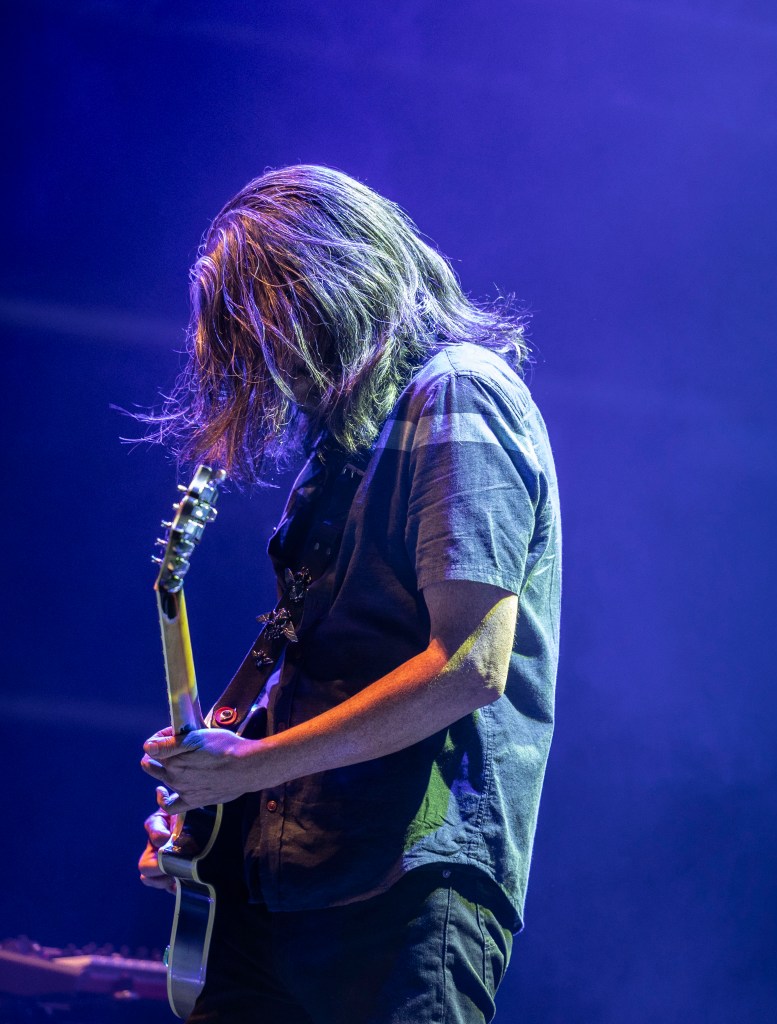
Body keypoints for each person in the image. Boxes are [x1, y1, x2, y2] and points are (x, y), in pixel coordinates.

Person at [138, 165, 561, 1024]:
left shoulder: (457, 390)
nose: (270, 365)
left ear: (337, 282)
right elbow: (328, 673)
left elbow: (468, 664)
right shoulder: (342, 451)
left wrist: (250, 767)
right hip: (280, 890)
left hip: (405, 884)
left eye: (274, 328)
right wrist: (213, 801)